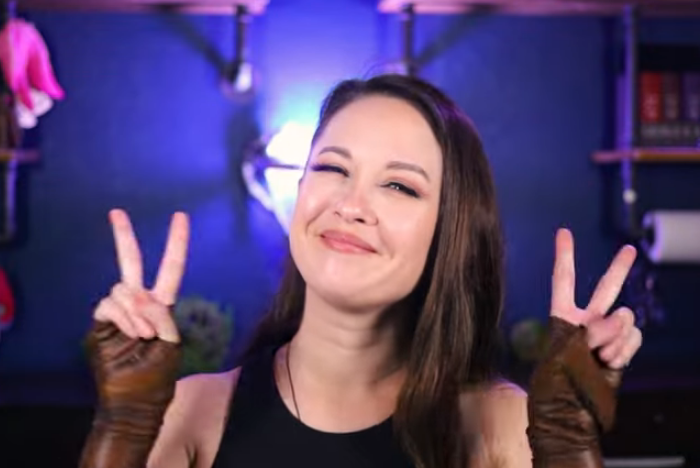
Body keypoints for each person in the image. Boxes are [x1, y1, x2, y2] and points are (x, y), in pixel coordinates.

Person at [79, 74, 643, 468]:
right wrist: (122, 430)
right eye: (332, 168)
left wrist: (566, 446)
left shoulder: (502, 426)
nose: (351, 204)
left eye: (398, 185)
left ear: (450, 232)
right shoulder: (193, 414)